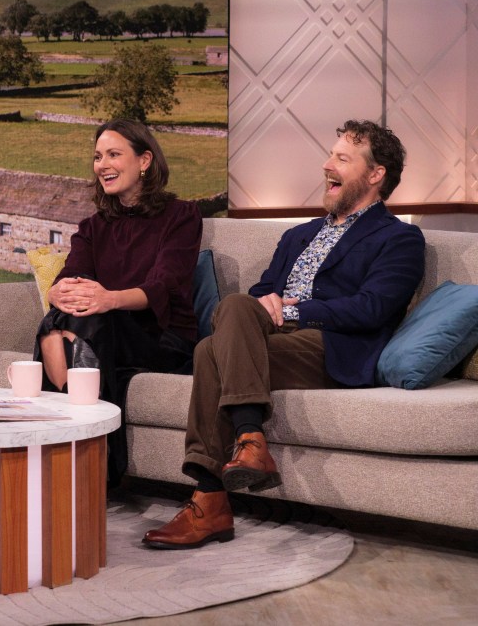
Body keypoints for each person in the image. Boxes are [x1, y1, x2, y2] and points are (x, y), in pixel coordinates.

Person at [143, 119, 425, 550]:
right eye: (330, 155)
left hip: (332, 345)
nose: (326, 164)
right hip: (271, 336)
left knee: (210, 350)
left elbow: (373, 307)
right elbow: (260, 293)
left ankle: (212, 498)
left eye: (342, 159)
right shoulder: (299, 234)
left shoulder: (400, 237)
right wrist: (268, 305)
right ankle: (247, 445)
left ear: (375, 175)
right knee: (227, 323)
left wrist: (293, 308)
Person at [35, 118, 202, 485]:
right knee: (61, 319)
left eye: (113, 154)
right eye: (97, 157)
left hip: (161, 335)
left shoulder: (181, 216)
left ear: (144, 161)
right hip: (101, 329)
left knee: (80, 322)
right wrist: (55, 291)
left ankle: (77, 464)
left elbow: (163, 285)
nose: (102, 165)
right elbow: (72, 273)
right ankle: (84, 459)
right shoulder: (93, 226)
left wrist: (109, 299)